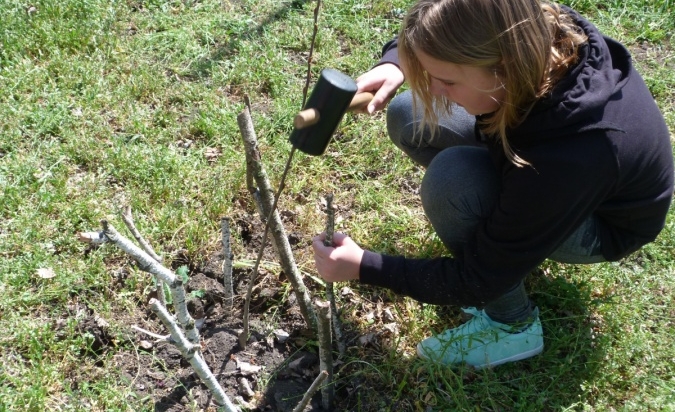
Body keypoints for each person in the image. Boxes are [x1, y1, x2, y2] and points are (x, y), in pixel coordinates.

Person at [312, 0, 674, 369]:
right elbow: (447, 23)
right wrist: (396, 62)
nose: (434, 89)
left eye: (448, 80)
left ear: (505, 69)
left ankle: (512, 326)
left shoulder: (570, 155)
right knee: (410, 114)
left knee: (453, 182)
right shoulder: (531, 28)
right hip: (546, 164)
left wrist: (363, 267)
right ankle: (513, 233)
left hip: (599, 222)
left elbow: (477, 280)